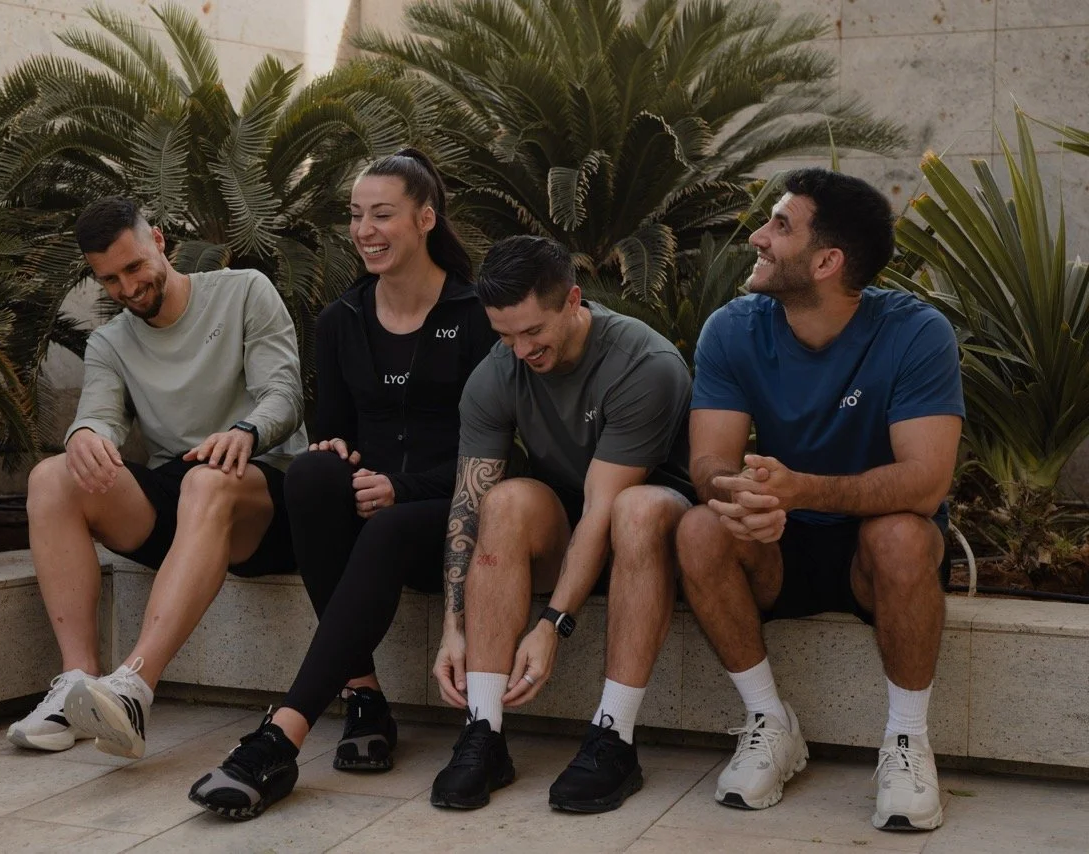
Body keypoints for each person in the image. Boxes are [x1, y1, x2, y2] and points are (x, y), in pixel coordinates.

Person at [186, 149, 496, 821]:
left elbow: (496, 451)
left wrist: (403, 487)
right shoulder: (340, 321)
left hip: (455, 505)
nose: (365, 230)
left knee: (384, 519)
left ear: (423, 219)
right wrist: (340, 456)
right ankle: (363, 693)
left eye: (382, 214)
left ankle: (281, 736)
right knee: (312, 475)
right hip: (373, 505)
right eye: (356, 216)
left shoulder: (475, 315)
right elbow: (336, 433)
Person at [675, 168, 964, 831]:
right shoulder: (733, 328)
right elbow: (709, 463)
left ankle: (906, 742)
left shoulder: (916, 333)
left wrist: (804, 487)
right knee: (700, 528)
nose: (758, 236)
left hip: (877, 550)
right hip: (782, 541)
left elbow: (925, 482)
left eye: (780, 226)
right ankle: (770, 723)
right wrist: (740, 492)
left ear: (827, 261)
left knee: (902, 534)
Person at [7, 197, 307, 760]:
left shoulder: (244, 290)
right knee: (52, 477)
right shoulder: (110, 342)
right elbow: (96, 411)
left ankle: (136, 688)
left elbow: (283, 396)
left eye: (134, 267)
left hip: (264, 487)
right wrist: (84, 436)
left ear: (160, 242)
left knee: (206, 480)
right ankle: (76, 685)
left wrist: (244, 431)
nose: (126, 287)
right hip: (184, 490)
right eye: (110, 279)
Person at [427, 235, 694, 814]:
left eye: (532, 332)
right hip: (570, 532)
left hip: (653, 535)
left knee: (635, 510)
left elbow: (604, 508)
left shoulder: (645, 366)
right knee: (501, 503)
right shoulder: (498, 371)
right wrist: (454, 626)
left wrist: (552, 625)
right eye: (504, 335)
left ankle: (613, 736)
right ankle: (484, 730)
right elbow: (467, 501)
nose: (520, 350)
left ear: (573, 300)